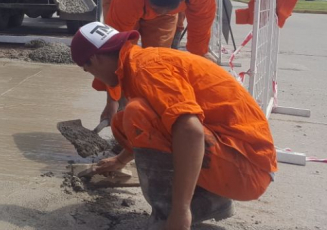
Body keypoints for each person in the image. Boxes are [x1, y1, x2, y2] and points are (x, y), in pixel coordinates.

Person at [70, 22, 276, 229]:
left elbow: (191, 131)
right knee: (124, 121)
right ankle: (208, 199)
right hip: (240, 157)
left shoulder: (147, 69)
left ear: (95, 59)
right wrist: (120, 160)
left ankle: (174, 211)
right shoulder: (140, 61)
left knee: (136, 113)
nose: (94, 76)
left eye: (88, 69)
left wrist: (180, 211)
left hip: (247, 170)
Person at [99, 0, 216, 122]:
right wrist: (111, 101)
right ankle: (124, 116)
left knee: (156, 63)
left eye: (165, 10)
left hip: (159, 1)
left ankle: (151, 115)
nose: (157, 14)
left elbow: (198, 48)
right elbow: (115, 52)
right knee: (125, 58)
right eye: (155, 8)